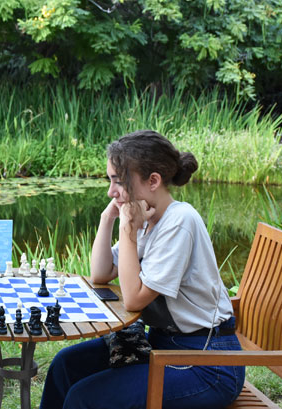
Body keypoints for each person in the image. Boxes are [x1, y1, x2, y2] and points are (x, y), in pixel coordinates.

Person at [40, 130, 245, 409]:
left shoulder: (178, 222)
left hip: (207, 364)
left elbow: (134, 298)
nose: (111, 191)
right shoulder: (148, 219)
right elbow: (101, 274)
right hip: (164, 348)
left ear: (153, 181)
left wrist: (128, 228)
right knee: (65, 365)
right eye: (110, 180)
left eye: (118, 181)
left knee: (84, 399)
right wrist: (108, 217)